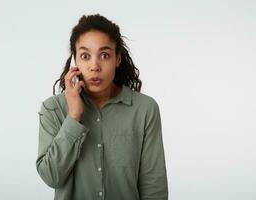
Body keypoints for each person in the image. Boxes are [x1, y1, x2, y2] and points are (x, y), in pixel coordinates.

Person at [36, 13, 168, 200]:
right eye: (85, 56)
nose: (94, 66)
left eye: (104, 55)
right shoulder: (53, 109)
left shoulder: (145, 109)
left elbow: (154, 184)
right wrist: (73, 117)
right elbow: (51, 177)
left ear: (117, 59)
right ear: (75, 60)